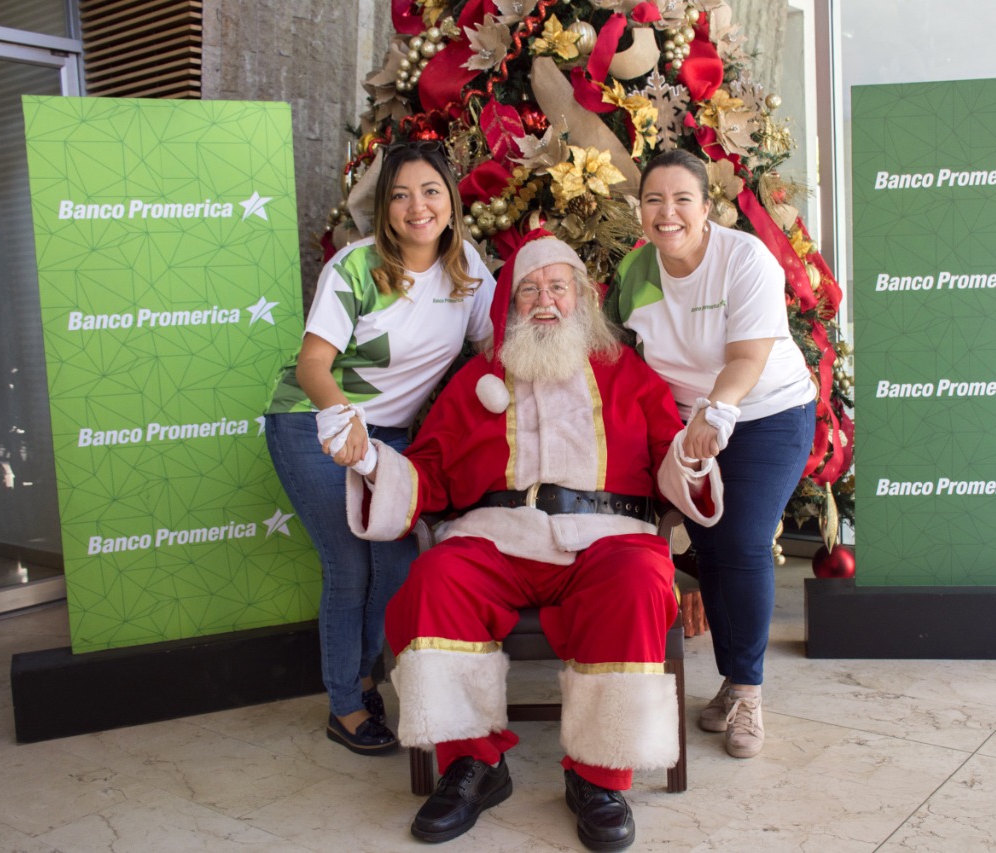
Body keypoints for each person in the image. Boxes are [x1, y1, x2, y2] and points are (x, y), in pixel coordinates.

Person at [345, 235, 722, 850]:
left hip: (609, 537)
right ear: (511, 306)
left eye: (557, 287)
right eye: (529, 289)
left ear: (582, 298)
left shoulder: (629, 374)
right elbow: (432, 470)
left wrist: (696, 459)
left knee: (638, 584)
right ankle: (474, 765)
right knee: (433, 582)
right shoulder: (478, 379)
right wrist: (371, 466)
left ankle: (600, 778)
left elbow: (669, 461)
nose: (544, 301)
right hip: (497, 536)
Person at [263, 141, 495, 756]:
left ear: (451, 200)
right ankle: (346, 702)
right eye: (400, 195)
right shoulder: (355, 266)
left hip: (391, 441)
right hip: (314, 422)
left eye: (430, 192)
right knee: (349, 564)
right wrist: (340, 417)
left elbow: (501, 347)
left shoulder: (468, 271)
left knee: (394, 566)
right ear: (386, 207)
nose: (416, 207)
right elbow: (314, 364)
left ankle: (367, 678)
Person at [606, 149, 817, 760]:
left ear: (707, 208)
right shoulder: (635, 273)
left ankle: (749, 691)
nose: (666, 213)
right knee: (713, 546)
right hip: (686, 427)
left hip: (766, 412)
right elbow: (622, 359)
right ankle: (731, 679)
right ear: (639, 209)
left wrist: (716, 411)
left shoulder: (743, 257)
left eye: (681, 200)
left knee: (745, 540)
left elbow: (747, 357)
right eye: (653, 200)